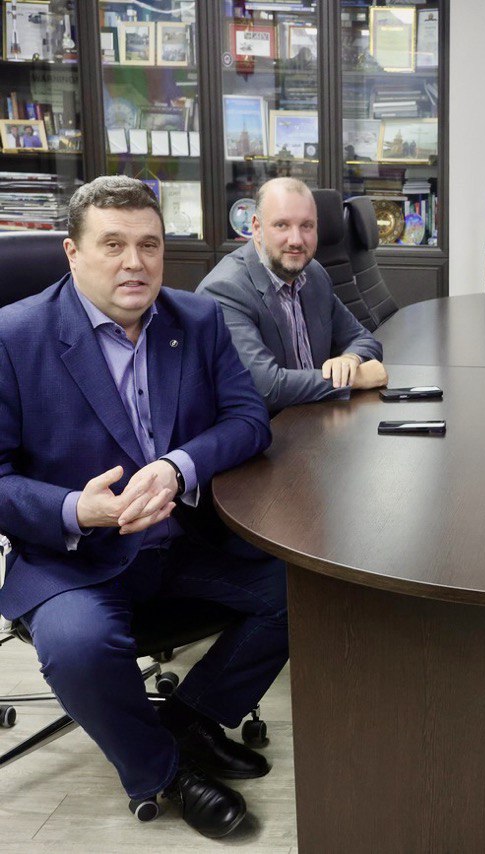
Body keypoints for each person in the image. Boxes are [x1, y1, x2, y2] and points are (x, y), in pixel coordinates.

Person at [0, 176, 287, 838]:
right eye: (113, 245)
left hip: (183, 541)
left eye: (150, 245)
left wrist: (177, 465)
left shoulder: (197, 320)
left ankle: (190, 717)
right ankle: (164, 772)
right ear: (73, 252)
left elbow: (249, 420)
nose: (135, 263)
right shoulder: (14, 336)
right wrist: (77, 509)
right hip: (75, 558)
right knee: (77, 644)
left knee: (304, 588)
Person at [197, 178, 387, 414]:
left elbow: (363, 339)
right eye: (282, 225)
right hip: (266, 430)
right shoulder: (226, 290)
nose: (296, 240)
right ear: (257, 228)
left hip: (314, 419)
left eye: (306, 226)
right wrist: (354, 379)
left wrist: (350, 360)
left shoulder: (313, 274)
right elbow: (267, 388)